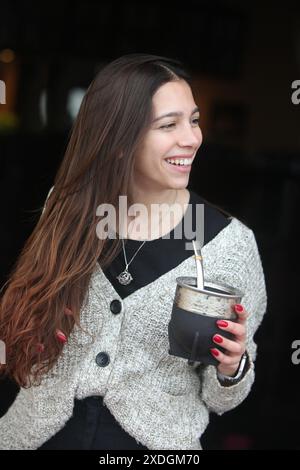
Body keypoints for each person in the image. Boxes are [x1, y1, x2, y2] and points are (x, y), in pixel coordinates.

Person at [0, 53, 267, 450]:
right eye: (168, 125)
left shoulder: (229, 246)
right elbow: (22, 334)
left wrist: (232, 366)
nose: (192, 138)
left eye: (193, 120)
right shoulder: (67, 210)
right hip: (36, 436)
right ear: (120, 139)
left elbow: (220, 398)